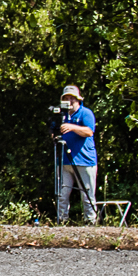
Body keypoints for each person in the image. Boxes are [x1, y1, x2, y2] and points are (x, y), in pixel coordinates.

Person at [55, 84, 98, 224]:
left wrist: (72, 127)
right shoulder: (61, 115)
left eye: (72, 98)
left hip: (84, 160)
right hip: (64, 160)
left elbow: (89, 131)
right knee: (62, 194)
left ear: (78, 99)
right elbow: (53, 132)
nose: (69, 101)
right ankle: (62, 220)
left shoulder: (85, 113)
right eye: (66, 98)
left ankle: (90, 221)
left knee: (87, 194)